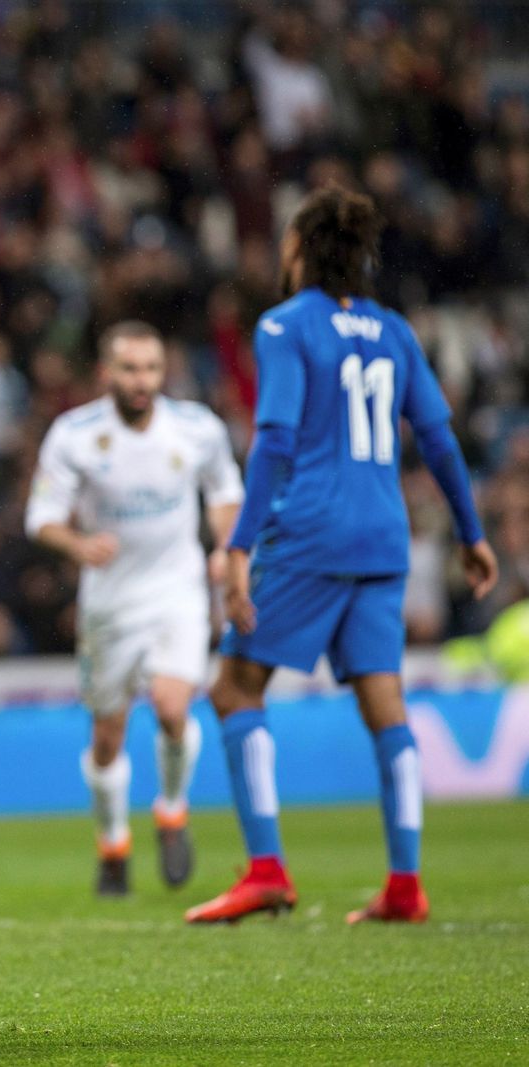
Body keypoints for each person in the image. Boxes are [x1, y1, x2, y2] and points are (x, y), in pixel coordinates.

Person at [186, 186, 499, 925]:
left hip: (312, 532)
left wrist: (238, 546)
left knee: (234, 689)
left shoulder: (284, 326)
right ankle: (405, 883)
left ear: (298, 251)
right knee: (384, 702)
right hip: (385, 535)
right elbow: (441, 439)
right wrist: (471, 532)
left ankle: (265, 870)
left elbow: (277, 438)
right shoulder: (393, 329)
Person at [27, 322, 243, 896]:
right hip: (109, 605)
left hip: (179, 591)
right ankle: (113, 844)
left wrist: (224, 548)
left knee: (174, 708)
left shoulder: (197, 429)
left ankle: (172, 811)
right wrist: (78, 545)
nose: (141, 380)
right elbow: (41, 517)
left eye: (150, 368)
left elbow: (226, 493)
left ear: (162, 372)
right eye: (129, 369)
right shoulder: (74, 435)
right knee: (107, 735)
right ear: (107, 373)